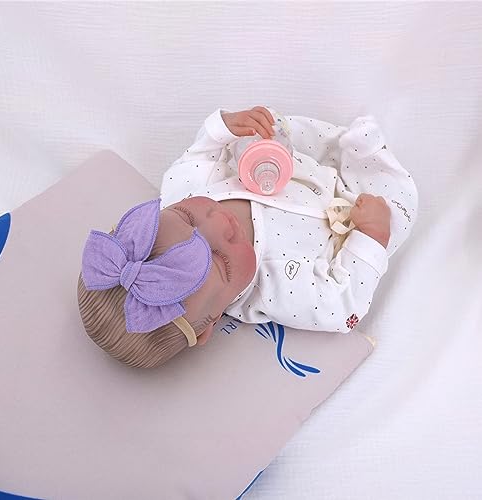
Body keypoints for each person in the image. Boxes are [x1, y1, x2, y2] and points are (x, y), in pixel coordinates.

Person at [77, 106, 418, 368]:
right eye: (221, 259)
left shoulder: (180, 191)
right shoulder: (273, 291)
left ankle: (336, 146)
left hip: (292, 169)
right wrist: (370, 235)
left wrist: (224, 127)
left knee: (270, 131)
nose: (219, 224)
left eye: (188, 217)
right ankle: (367, 162)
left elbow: (199, 155)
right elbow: (342, 307)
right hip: (350, 224)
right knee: (396, 212)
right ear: (209, 325)